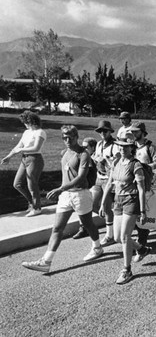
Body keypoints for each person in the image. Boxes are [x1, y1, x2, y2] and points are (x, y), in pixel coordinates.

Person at [21, 125, 104, 273]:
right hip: (66, 195)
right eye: (64, 137)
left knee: (88, 224)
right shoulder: (64, 153)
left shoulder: (83, 154)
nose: (66, 140)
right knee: (57, 228)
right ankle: (46, 261)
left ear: (76, 136)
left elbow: (81, 177)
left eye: (69, 137)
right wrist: (63, 190)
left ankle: (97, 247)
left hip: (80, 194)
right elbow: (67, 175)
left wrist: (60, 189)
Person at [99, 132, 151, 284]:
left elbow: (141, 189)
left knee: (125, 237)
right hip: (118, 201)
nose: (122, 149)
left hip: (131, 200)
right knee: (116, 237)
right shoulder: (115, 162)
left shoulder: (136, 165)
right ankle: (141, 248)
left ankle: (126, 269)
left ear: (131, 147)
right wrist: (103, 203)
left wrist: (142, 211)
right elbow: (109, 183)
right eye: (120, 146)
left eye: (126, 146)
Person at [2, 111, 46, 217]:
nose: (24, 124)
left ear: (31, 121)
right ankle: (33, 203)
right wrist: (9, 156)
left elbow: (36, 148)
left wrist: (21, 150)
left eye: (25, 122)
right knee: (17, 184)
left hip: (35, 159)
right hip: (24, 159)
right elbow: (18, 146)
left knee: (32, 184)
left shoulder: (40, 132)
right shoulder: (26, 132)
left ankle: (37, 208)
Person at [129, 121, 156, 262]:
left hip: (146, 184)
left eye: (136, 132)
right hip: (131, 185)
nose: (133, 134)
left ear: (142, 132)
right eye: (132, 132)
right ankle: (139, 242)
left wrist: (143, 167)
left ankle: (142, 244)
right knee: (133, 214)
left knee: (144, 215)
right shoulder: (130, 147)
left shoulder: (150, 147)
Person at [72, 137, 98, 239]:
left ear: (93, 148)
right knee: (83, 207)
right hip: (87, 186)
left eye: (86, 147)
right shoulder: (82, 156)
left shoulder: (93, 158)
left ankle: (113, 220)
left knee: (94, 206)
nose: (84, 148)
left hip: (95, 184)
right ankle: (83, 228)